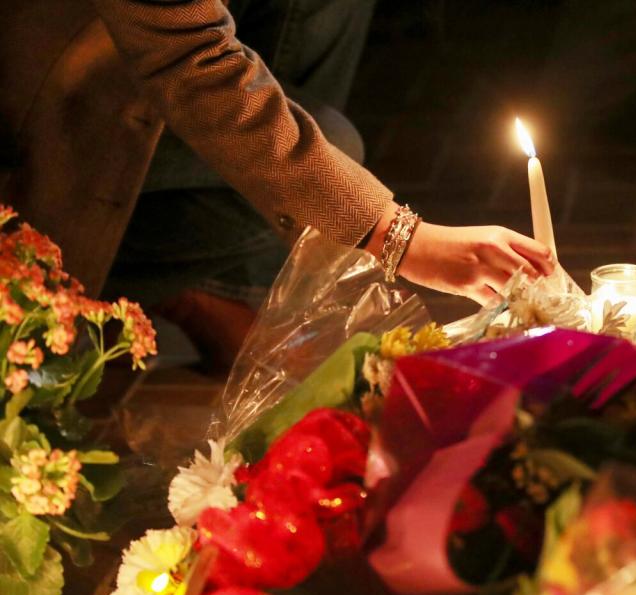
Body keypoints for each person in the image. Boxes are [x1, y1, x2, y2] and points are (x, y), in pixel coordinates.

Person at [0, 0, 555, 368]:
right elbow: (192, 58)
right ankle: (152, 274)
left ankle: (242, 282)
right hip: (46, 103)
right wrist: (397, 237)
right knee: (336, 145)